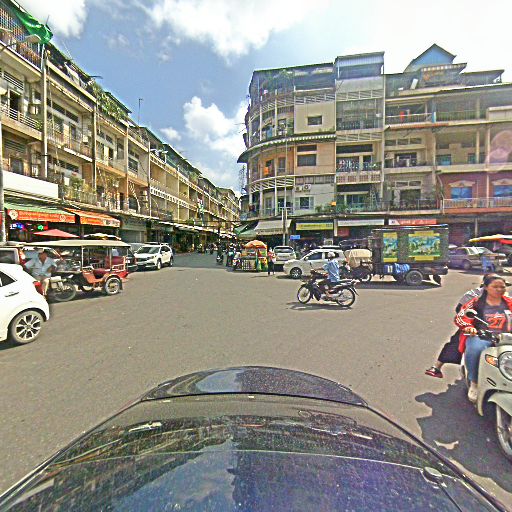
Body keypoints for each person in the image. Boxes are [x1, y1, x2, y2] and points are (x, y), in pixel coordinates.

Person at [425, 273, 501, 378]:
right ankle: (437, 367)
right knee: (456, 341)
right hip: (474, 325)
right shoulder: (473, 295)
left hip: (497, 327)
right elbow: (460, 311)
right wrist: (468, 325)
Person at [455, 275, 512, 402]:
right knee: (475, 349)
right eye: (495, 287)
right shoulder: (476, 302)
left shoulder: (509, 302)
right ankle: (474, 382)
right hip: (482, 336)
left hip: (506, 338)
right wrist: (469, 327)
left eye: (502, 287)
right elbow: (461, 316)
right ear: (486, 287)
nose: (499, 289)